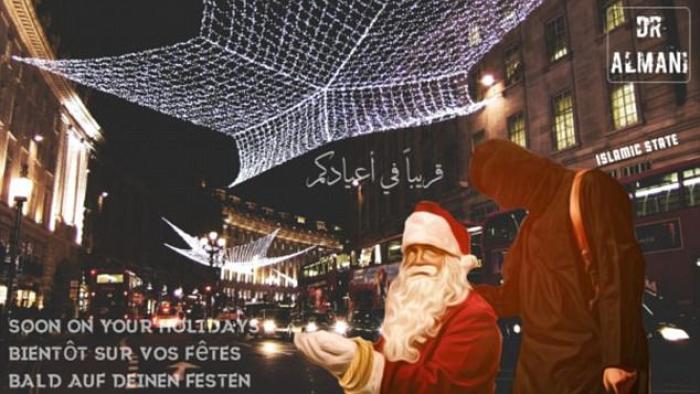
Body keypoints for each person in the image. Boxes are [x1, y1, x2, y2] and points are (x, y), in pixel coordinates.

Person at [470, 139, 649, 394]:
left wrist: (618, 359)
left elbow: (618, 276)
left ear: (516, 173)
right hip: (535, 375)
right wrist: (458, 294)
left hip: (586, 371)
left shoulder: (589, 189)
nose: (501, 202)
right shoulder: (528, 228)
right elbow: (511, 300)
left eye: (499, 190)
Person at [295, 201, 501, 394]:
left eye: (430, 251)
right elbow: (391, 360)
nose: (418, 259)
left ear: (452, 260)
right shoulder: (408, 312)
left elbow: (443, 387)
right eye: (411, 251)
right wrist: (351, 352)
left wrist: (365, 367)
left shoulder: (475, 317)